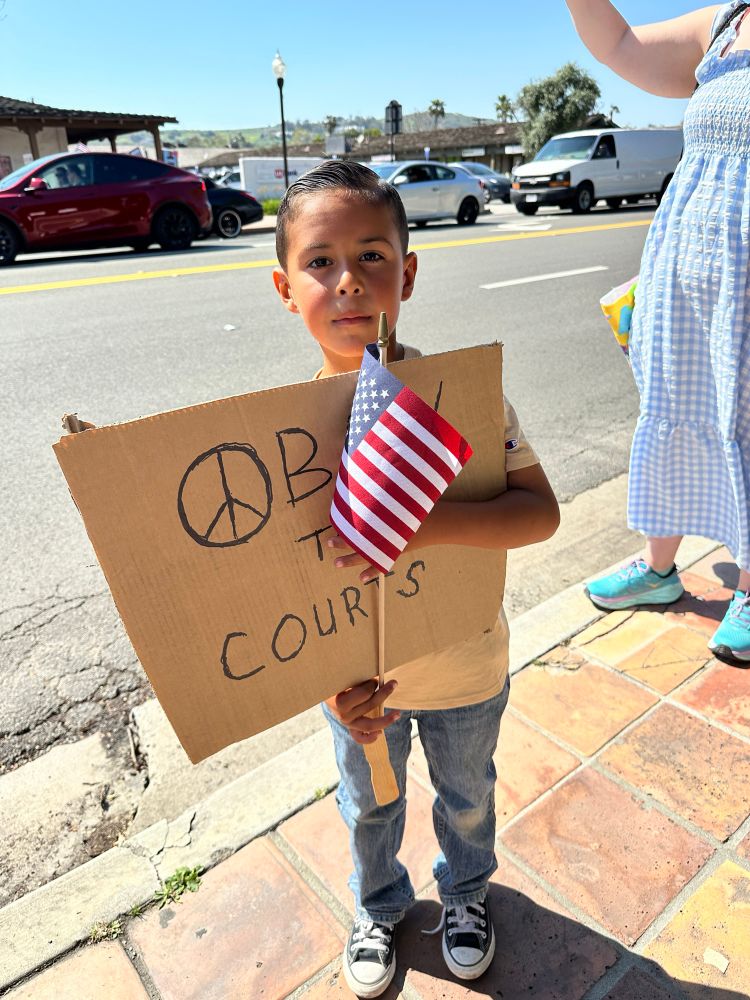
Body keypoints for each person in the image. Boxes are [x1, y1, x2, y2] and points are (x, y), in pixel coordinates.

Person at [272, 161, 560, 997]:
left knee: (467, 797)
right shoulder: (277, 442)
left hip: (466, 669)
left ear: (409, 272)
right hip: (356, 682)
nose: (349, 282)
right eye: (320, 262)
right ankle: (380, 903)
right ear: (286, 288)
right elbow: (273, 594)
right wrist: (327, 688)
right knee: (368, 808)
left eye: (372, 256)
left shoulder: (463, 399)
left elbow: (537, 513)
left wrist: (422, 520)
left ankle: (466, 894)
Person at [567, 0, 750, 666]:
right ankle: (659, 566)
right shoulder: (726, 22)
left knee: (747, 417)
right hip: (688, 258)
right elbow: (616, 41)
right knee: (670, 404)